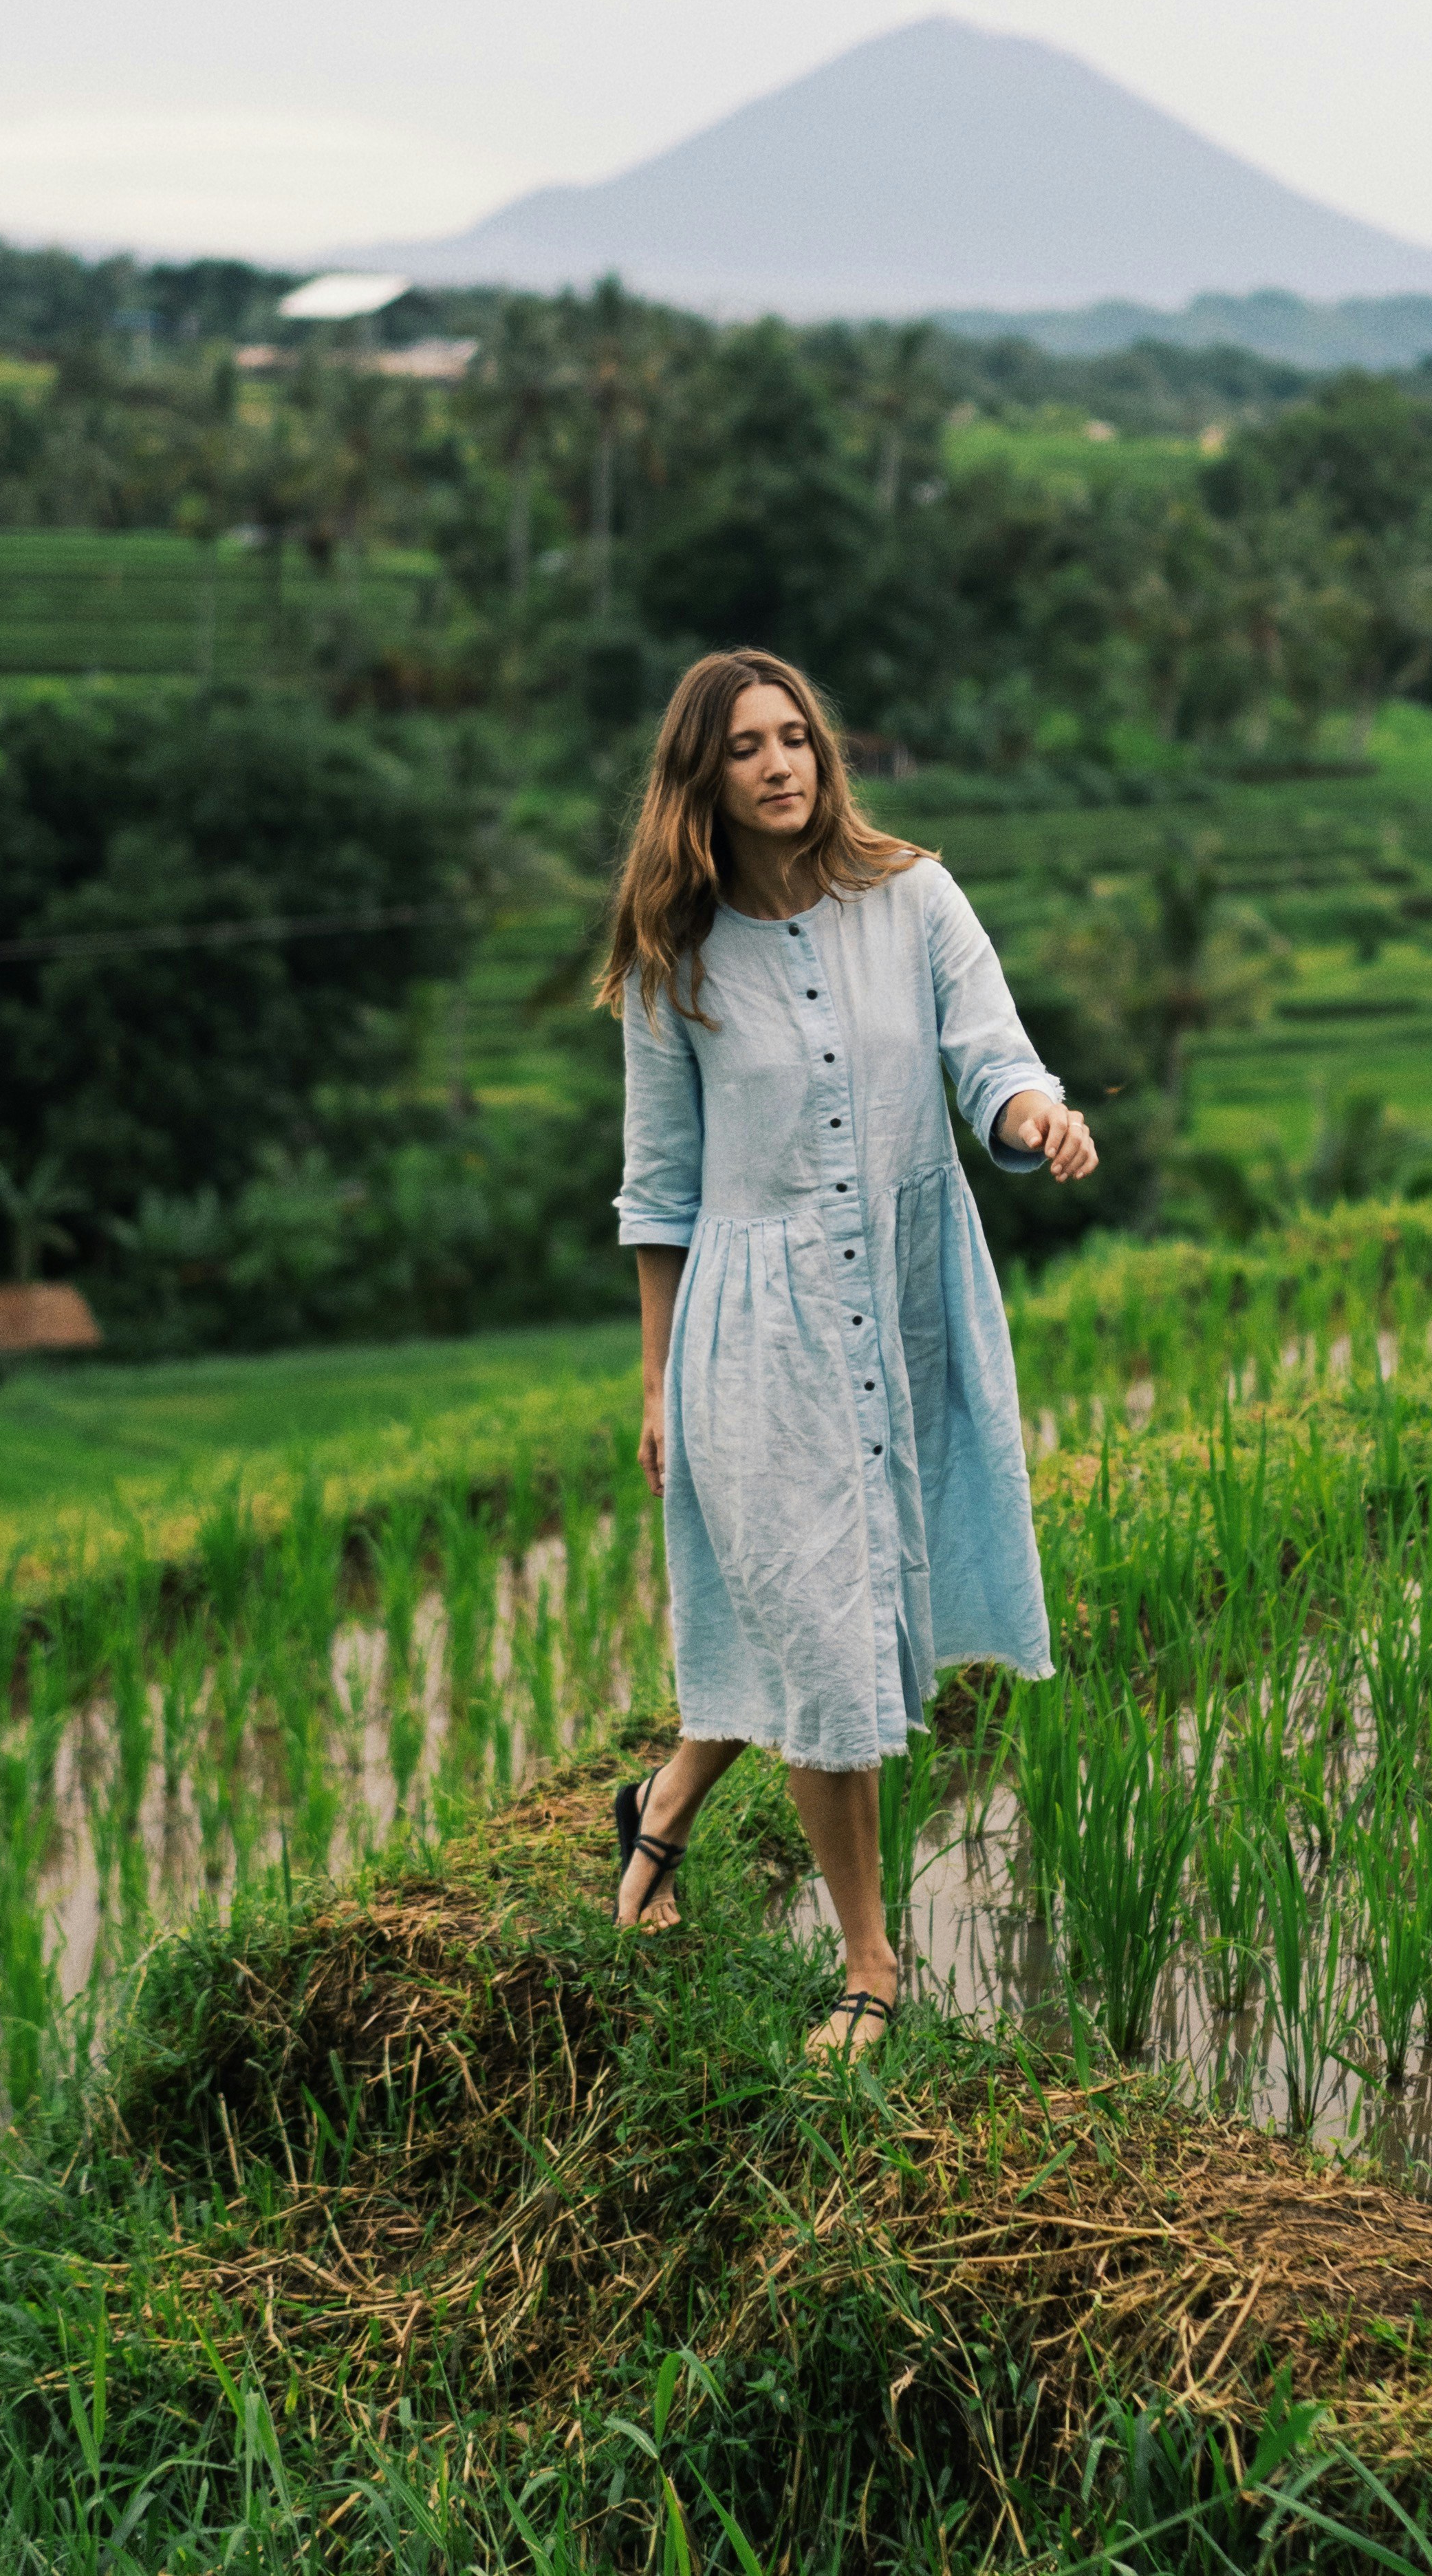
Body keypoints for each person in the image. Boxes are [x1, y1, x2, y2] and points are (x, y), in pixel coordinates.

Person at [596, 646, 1094, 2054]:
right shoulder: (668, 962)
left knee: (847, 1609)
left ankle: (663, 1809)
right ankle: (871, 1965)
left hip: (905, 1294)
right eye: (746, 745)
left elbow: (993, 1057)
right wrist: (655, 1385)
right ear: (701, 777)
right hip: (752, 1331)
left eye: (796, 735)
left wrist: (1034, 1119)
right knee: (817, 1620)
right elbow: (659, 1193)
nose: (780, 763)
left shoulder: (915, 898)